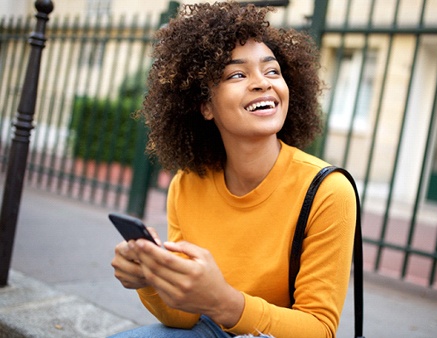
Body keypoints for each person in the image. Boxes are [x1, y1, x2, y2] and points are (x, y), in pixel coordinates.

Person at [110, 1, 356, 337]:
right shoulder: (186, 185)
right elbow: (182, 319)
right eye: (237, 74)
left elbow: (320, 329)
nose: (262, 83)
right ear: (206, 106)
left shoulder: (327, 191)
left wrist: (224, 302)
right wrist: (150, 279)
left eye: (272, 71)